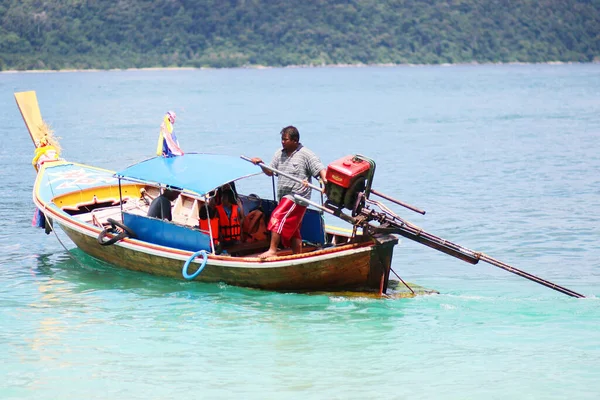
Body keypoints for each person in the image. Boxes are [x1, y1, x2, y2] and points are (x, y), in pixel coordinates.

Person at [251, 125, 327, 258]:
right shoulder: (279, 154)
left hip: (297, 196)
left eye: (285, 139)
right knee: (294, 229)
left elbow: (320, 169)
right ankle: (297, 256)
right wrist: (261, 164)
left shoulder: (305, 154)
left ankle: (273, 250)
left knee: (277, 216)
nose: (282, 142)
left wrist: (325, 182)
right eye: (282, 139)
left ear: (295, 140)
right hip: (284, 196)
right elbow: (270, 172)